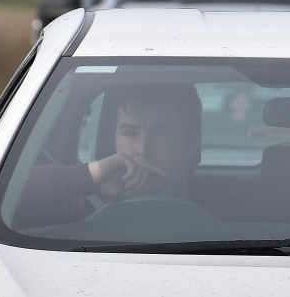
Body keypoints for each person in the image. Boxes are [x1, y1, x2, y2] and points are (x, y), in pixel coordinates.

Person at [15, 83, 202, 230]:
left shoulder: (225, 204)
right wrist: (91, 176)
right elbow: (6, 196)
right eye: (130, 133)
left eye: (162, 133)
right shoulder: (82, 205)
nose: (143, 149)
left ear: (192, 145)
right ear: (113, 140)